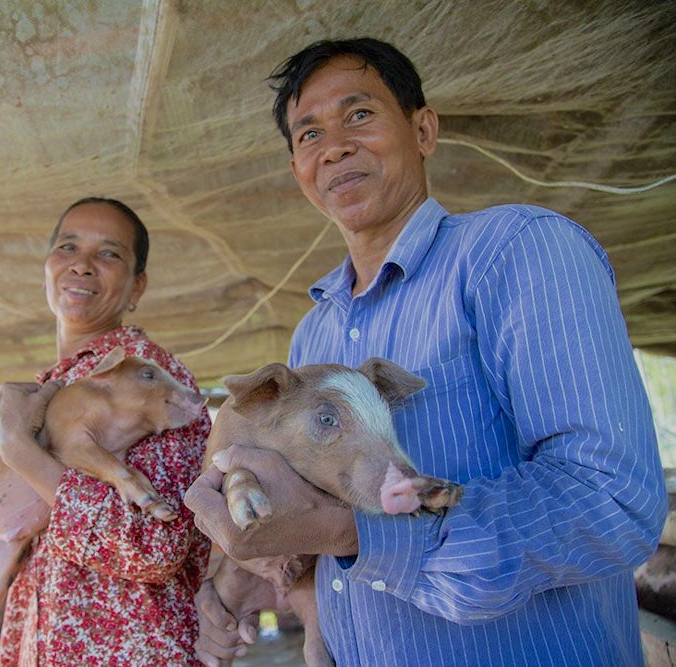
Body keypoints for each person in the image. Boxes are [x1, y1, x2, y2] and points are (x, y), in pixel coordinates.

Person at [184, 38, 667, 667]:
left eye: (359, 115)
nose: (334, 147)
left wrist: (352, 532)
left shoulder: (518, 254)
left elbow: (612, 502)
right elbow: (307, 525)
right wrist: (247, 577)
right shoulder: (313, 336)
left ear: (424, 129)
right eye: (308, 135)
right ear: (299, 170)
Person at [0, 196, 212, 666]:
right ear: (47, 267)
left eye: (109, 253)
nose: (82, 265)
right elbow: (43, 524)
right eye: (67, 247)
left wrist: (20, 451)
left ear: (136, 286)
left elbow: (157, 548)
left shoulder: (152, 377)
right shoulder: (49, 388)